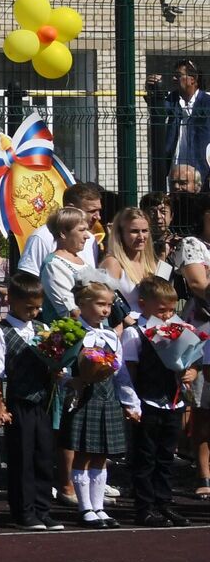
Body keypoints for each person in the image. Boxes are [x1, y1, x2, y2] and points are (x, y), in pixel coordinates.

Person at [121, 276, 196, 527]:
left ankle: (163, 503)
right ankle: (144, 507)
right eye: (161, 310)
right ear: (143, 305)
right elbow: (128, 369)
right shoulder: (135, 332)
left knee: (166, 456)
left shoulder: (178, 328)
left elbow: (190, 361)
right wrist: (131, 402)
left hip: (172, 401)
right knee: (146, 456)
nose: (167, 315)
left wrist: (189, 372)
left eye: (171, 310)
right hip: (147, 401)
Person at [0, 275, 61, 531]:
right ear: (12, 301)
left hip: (42, 401)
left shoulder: (42, 329)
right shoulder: (1, 331)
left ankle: (43, 509)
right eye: (28, 307)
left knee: (43, 456)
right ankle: (23, 510)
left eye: (37, 307)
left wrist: (56, 370)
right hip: (18, 401)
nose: (34, 312)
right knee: (22, 458)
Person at [64, 280, 130, 529]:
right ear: (82, 303)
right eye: (100, 304)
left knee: (102, 455)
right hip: (82, 398)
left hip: (106, 398)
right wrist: (74, 380)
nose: (106, 310)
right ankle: (85, 508)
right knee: (82, 453)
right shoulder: (71, 331)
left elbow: (120, 371)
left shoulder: (111, 334)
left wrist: (130, 402)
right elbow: (59, 367)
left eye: (109, 305)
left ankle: (98, 506)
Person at [16, 182, 104, 281]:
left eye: (99, 211)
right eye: (92, 211)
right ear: (71, 207)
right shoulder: (42, 237)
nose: (98, 217)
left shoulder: (90, 239)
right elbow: (28, 282)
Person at [154, 58, 210, 187]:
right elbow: (158, 110)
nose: (174, 79)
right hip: (175, 166)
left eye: (178, 76)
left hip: (201, 167)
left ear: (193, 79)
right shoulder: (172, 100)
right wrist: (153, 90)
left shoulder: (207, 102)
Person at [102, 208, 169, 308]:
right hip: (128, 322)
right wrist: (132, 323)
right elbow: (107, 304)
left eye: (145, 231)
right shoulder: (112, 263)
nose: (141, 237)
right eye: (134, 231)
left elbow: (164, 299)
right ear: (120, 234)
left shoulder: (152, 264)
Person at [38, 207, 94, 320]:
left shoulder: (82, 260)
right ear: (63, 233)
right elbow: (70, 312)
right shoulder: (53, 265)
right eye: (81, 230)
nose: (87, 236)